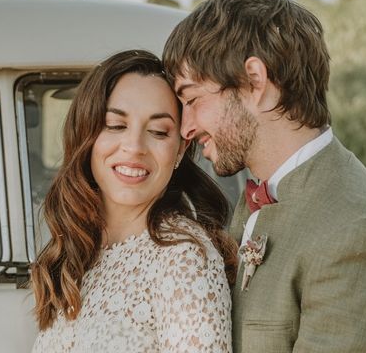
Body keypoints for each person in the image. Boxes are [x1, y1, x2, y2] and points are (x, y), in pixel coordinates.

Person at [162, 0, 366, 352]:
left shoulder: (358, 233)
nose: (185, 127)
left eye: (193, 99)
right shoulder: (260, 195)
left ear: (255, 81)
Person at [30, 49, 237, 352]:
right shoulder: (78, 253)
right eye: (116, 125)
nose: (134, 147)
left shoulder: (183, 260)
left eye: (157, 131)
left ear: (180, 150)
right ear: (87, 136)